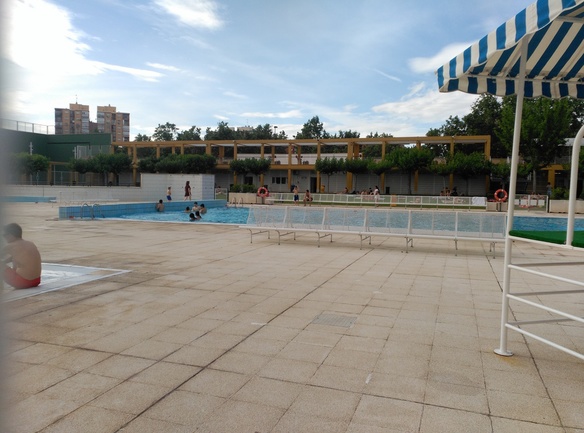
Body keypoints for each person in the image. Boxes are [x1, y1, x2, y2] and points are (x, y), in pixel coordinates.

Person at [2, 223, 42, 289]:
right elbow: (19, 257)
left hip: (22, 282)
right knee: (14, 258)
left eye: (4, 235)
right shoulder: (30, 243)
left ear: (10, 235)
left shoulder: (11, 246)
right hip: (36, 281)